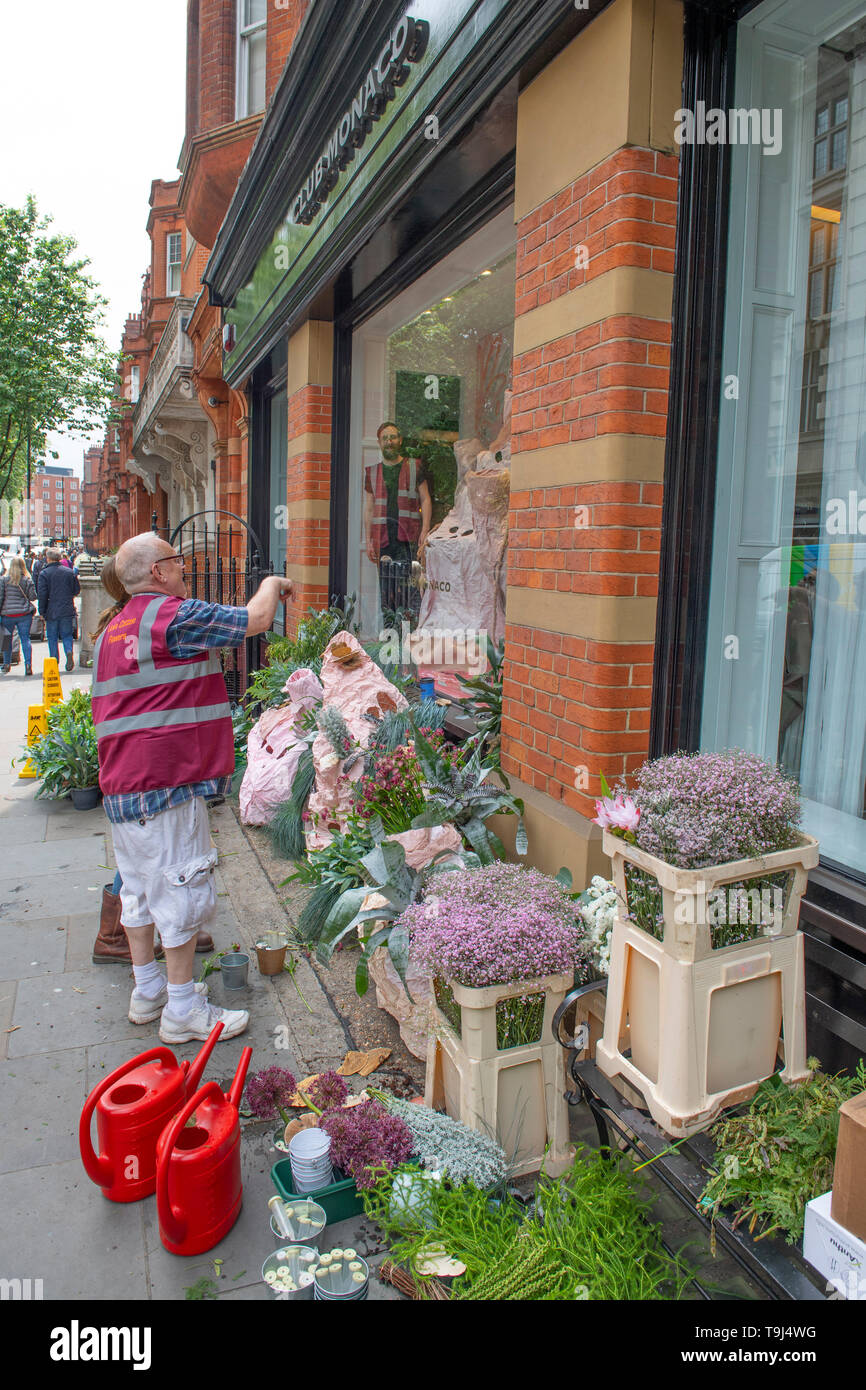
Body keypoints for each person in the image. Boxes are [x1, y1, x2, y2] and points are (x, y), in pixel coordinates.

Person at [91, 532, 292, 1043]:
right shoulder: (171, 617)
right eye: (177, 561)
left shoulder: (113, 632)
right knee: (182, 887)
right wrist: (271, 582)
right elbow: (257, 619)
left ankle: (148, 990)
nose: (184, 569)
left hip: (123, 786)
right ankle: (182, 1012)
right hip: (166, 781)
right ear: (158, 571)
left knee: (136, 889)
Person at [364, 422, 431, 622]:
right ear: (379, 443)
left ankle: (408, 637)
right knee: (387, 592)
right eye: (385, 438)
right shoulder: (372, 472)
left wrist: (425, 529)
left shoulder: (414, 466)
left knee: (410, 591)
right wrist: (368, 539)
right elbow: (369, 508)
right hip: (383, 541)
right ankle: (389, 637)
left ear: (400, 440)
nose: (389, 442)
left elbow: (425, 498)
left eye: (392, 437)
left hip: (408, 540)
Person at [38, 547, 80, 671]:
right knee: (67, 634)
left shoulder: (44, 574)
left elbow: (42, 594)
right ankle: (68, 651)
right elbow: (76, 590)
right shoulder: (69, 572)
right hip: (67, 607)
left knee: (52, 636)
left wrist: (42, 611)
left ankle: (54, 661)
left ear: (48, 558)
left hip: (51, 609)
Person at [0, 555, 37, 676]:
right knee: (25, 639)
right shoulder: (27, 579)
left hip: (7, 615)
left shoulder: (4, 580)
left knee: (6, 640)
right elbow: (32, 597)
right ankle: (28, 665)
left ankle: (6, 664)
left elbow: (1, 597)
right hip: (24, 614)